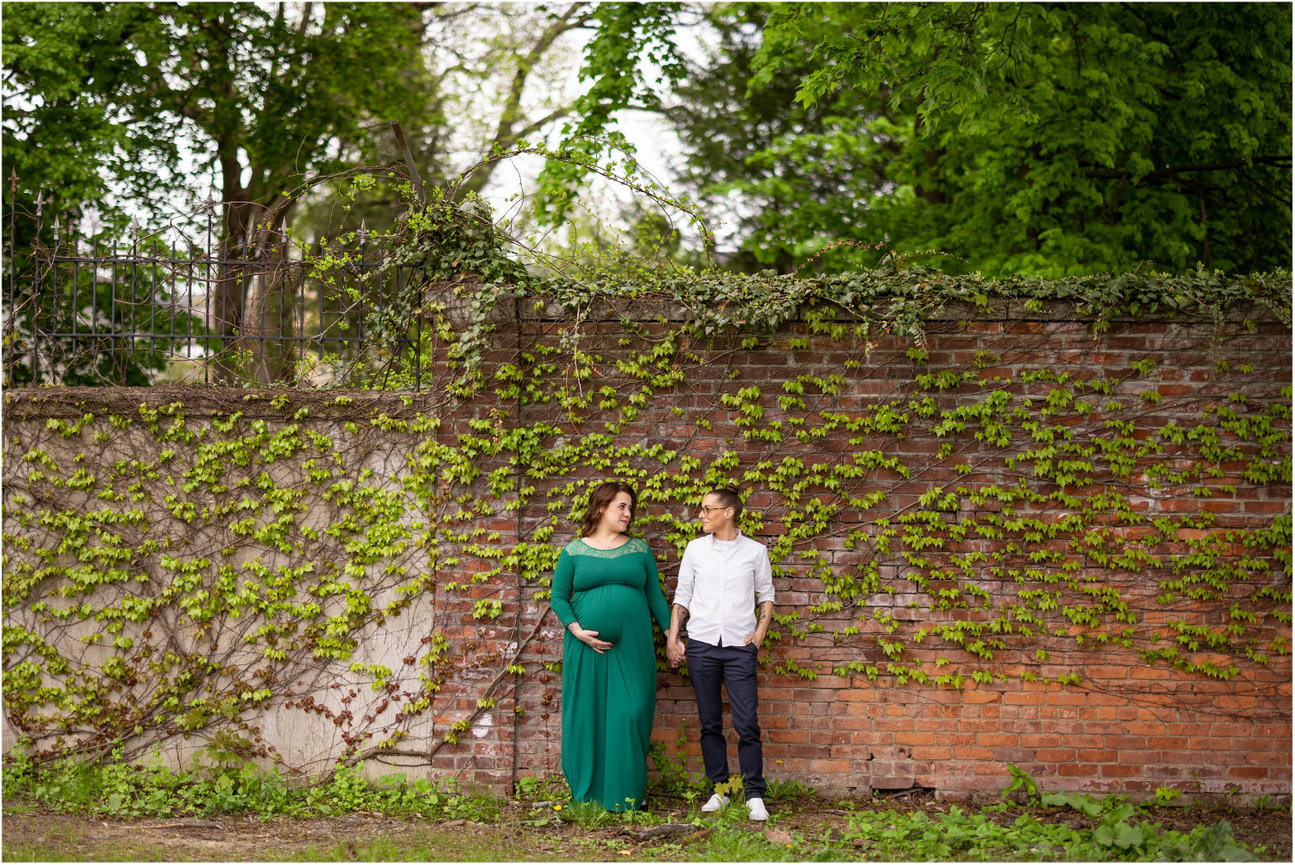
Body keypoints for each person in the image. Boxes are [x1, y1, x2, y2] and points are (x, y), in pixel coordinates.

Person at [550, 481, 671, 810]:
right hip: (586, 648)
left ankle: (627, 796)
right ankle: (588, 796)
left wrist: (672, 636)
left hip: (633, 648)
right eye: (622, 506)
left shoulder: (639, 551)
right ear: (602, 507)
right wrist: (577, 631)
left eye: (630, 508)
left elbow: (656, 598)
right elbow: (558, 597)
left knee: (630, 714)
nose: (628, 513)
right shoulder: (574, 551)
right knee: (588, 716)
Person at [666, 487, 775, 821]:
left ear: (729, 512)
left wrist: (759, 634)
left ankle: (754, 794)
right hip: (701, 645)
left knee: (747, 723)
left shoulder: (755, 552)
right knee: (710, 722)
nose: (701, 514)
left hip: (740, 649)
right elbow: (682, 596)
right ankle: (721, 790)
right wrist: (674, 638)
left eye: (707, 509)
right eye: (701, 509)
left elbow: (766, 596)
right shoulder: (695, 550)